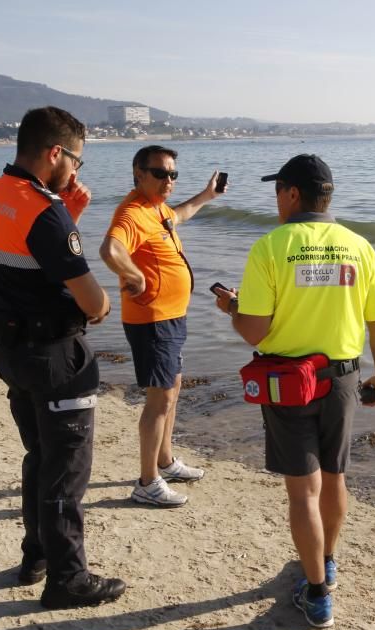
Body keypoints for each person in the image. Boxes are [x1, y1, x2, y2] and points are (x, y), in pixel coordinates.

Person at [213, 154, 375, 628]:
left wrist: (233, 308)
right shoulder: (358, 246)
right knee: (334, 477)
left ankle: (316, 593)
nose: (276, 200)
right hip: (341, 378)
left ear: (293, 194)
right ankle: (327, 561)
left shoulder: (272, 247)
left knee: (303, 491)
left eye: (278, 191)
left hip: (288, 382)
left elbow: (255, 330)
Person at [0, 106, 125, 609]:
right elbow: (91, 300)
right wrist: (102, 301)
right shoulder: (46, 211)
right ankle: (68, 579)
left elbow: (23, 261)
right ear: (55, 153)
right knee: (66, 468)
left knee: (40, 457)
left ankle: (35, 555)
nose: (77, 172)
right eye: (76, 161)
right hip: (56, 355)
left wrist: (65, 212)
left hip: (12, 350)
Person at [99, 145, 221, 507]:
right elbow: (110, 250)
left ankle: (165, 461)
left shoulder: (156, 208)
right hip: (152, 320)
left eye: (173, 174)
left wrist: (206, 195)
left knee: (173, 386)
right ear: (139, 174)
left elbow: (178, 216)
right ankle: (147, 481)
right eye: (160, 173)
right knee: (160, 398)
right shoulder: (133, 212)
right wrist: (133, 273)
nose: (168, 180)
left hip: (172, 316)